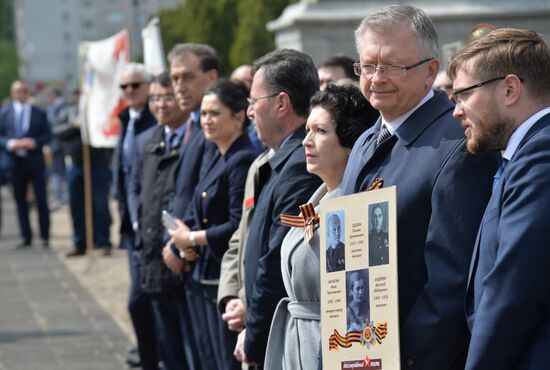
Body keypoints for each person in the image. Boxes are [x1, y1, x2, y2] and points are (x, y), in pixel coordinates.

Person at [341, 5, 501, 369]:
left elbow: (452, 282)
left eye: (392, 66)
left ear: (431, 71)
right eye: (367, 66)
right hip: (358, 350)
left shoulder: (458, 145)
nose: (377, 77)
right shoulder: (367, 140)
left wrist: (407, 357)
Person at [448, 28, 550, 370]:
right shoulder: (527, 153)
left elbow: (514, 291)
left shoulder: (542, 155)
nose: (456, 111)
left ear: (509, 88)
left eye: (463, 95)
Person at [264, 83, 378, 370]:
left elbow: (359, 308)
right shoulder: (317, 200)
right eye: (307, 130)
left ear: (352, 143)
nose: (306, 141)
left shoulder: (356, 210)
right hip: (297, 342)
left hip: (329, 349)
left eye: (321, 131)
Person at [234, 48, 323, 369]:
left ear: (281, 103)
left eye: (252, 102)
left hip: (280, 337)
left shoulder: (300, 165)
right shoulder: (284, 161)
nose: (249, 113)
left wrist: (256, 338)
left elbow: (276, 262)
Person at [167, 79, 256, 370]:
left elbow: (236, 225)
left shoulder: (242, 160)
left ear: (239, 116)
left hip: (222, 278)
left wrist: (192, 238)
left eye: (215, 113)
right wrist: (185, 241)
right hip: (200, 272)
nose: (206, 120)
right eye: (203, 114)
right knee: (206, 357)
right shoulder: (215, 154)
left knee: (223, 359)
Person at [128, 71, 196, 370]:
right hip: (150, 249)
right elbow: (135, 189)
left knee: (189, 343)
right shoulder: (146, 140)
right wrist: (138, 224)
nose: (161, 104)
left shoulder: (196, 140)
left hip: (181, 252)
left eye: (167, 97)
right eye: (155, 98)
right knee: (164, 339)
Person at [160, 42, 219, 370]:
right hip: (185, 256)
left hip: (204, 258)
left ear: (211, 76)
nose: (178, 86)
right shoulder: (193, 128)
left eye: (187, 77)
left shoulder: (215, 129)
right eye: (174, 78)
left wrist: (185, 244)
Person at [112, 63, 158, 369]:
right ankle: (146, 351)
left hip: (148, 221)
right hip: (130, 223)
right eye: (124, 87)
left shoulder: (154, 121)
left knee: (140, 298)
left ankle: (152, 354)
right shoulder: (126, 119)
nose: (129, 92)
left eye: (135, 85)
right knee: (139, 297)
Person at [52, 89, 112, 257]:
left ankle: (103, 241)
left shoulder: (99, 113)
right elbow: (57, 130)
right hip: (75, 164)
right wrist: (74, 124)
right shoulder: (67, 111)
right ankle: (80, 243)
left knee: (100, 204)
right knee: (76, 205)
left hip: (97, 162)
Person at [0, 80, 51, 248]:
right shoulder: (5, 113)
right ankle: (26, 236)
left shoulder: (39, 113)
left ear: (28, 93)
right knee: (20, 201)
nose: (21, 94)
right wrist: (10, 143)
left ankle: (44, 235)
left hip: (34, 162)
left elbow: (47, 135)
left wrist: (34, 142)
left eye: (23, 90)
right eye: (17, 91)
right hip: (14, 163)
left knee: (41, 199)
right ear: (13, 93)